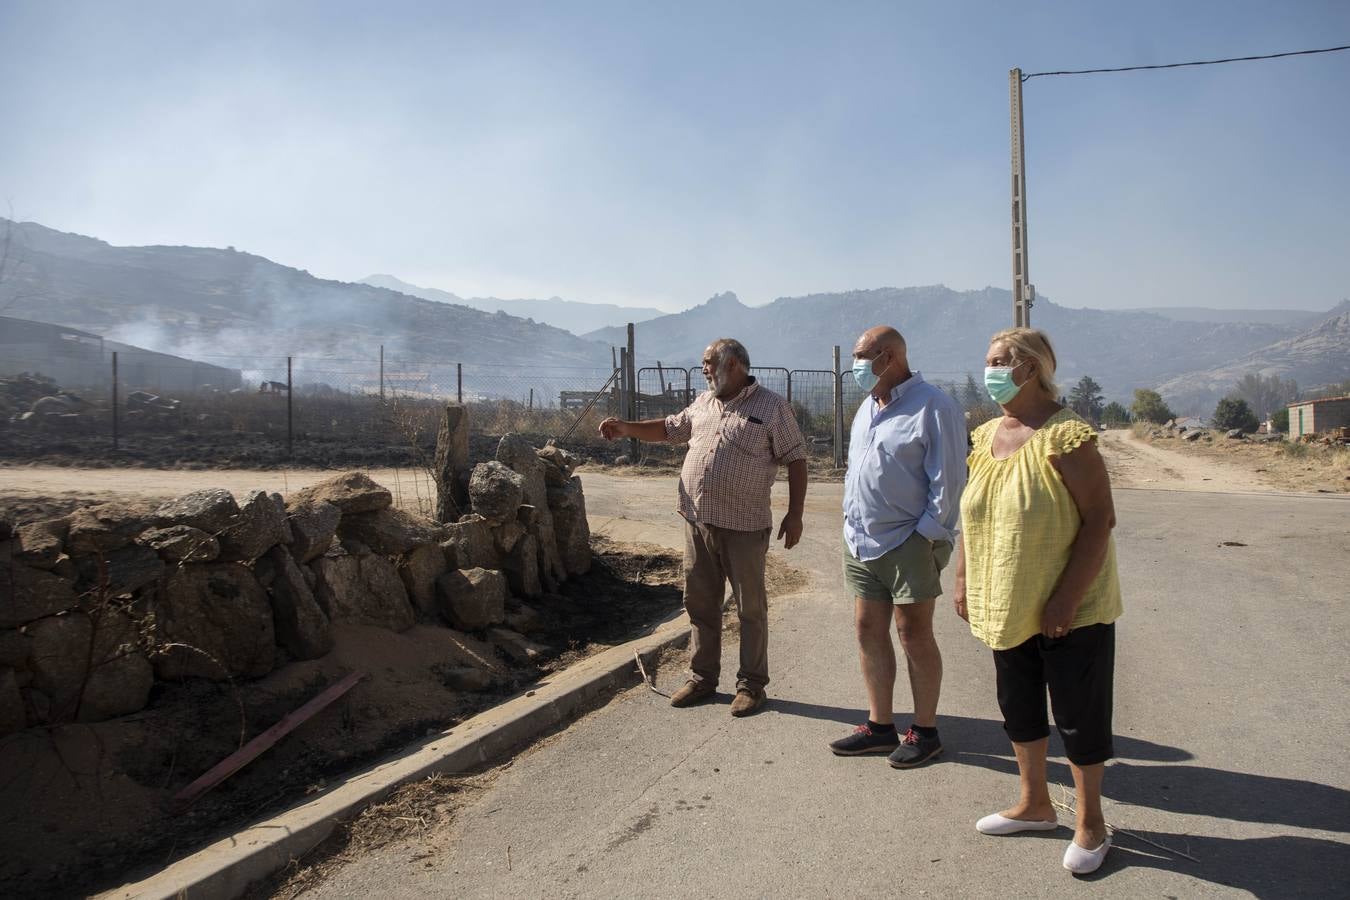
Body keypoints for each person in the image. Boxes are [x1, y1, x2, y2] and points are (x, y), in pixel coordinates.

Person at [954, 327, 1124, 876]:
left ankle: (1091, 824)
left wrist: (1066, 598)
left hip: (1070, 606)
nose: (992, 370)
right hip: (1006, 600)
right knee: (1019, 706)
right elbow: (973, 515)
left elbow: (1100, 518)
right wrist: (964, 579)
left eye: (1001, 360)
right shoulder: (985, 437)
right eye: (988, 360)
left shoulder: (1067, 435)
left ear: (1032, 368)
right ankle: (1034, 804)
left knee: (1079, 715)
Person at [599, 338, 808, 717]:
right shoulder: (703, 402)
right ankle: (702, 678)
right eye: (704, 363)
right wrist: (626, 428)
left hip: (744, 526)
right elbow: (669, 429)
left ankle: (751, 685)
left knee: (750, 608)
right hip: (697, 522)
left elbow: (796, 459)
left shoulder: (773, 407)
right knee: (699, 604)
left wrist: (795, 514)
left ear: (737, 364)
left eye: (710, 361)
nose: (705, 368)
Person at [828, 327, 967, 767]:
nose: (855, 366)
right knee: (868, 630)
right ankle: (879, 726)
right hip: (861, 539)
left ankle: (925, 730)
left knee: (913, 634)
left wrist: (926, 536)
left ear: (888, 356)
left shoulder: (934, 406)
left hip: (909, 541)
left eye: (860, 356)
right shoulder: (868, 408)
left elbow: (948, 482)